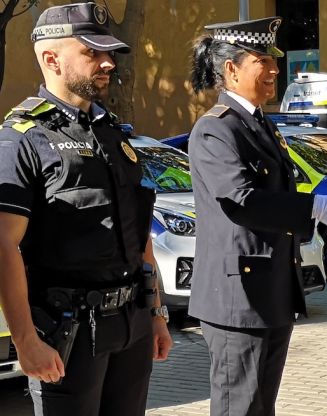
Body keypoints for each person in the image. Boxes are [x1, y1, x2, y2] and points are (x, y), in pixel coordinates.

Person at [188, 17, 327, 416]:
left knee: (260, 406)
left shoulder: (258, 124)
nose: (274, 69)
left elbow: (275, 193)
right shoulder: (215, 129)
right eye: (262, 60)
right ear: (231, 69)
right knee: (241, 405)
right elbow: (240, 199)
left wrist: (322, 207)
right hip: (238, 298)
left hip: (269, 291)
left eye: (274, 60)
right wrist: (315, 208)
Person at [0, 3, 172, 415]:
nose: (108, 63)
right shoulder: (23, 138)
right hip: (67, 330)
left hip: (130, 323)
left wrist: (157, 313)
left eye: (109, 53)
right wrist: (25, 341)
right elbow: (4, 244)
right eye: (92, 53)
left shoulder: (113, 135)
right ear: (51, 58)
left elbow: (138, 235)